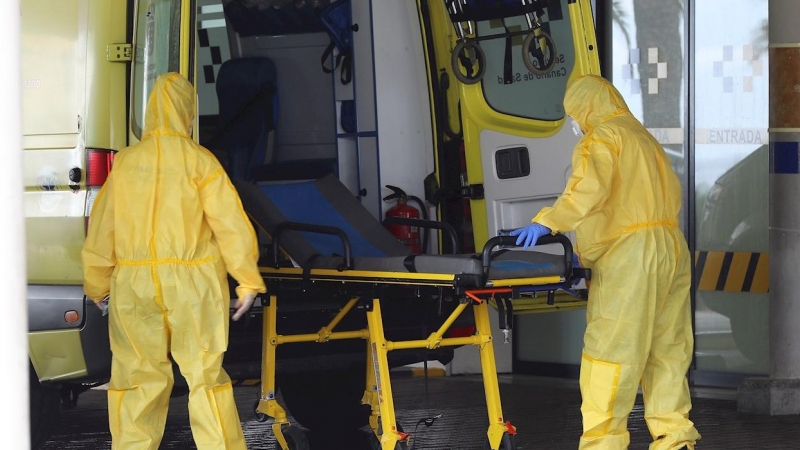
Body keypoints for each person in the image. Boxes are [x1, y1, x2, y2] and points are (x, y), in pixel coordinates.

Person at [510, 75, 701, 450]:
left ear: (584, 109)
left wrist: (548, 220)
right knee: (667, 350)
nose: (575, 123)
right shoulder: (643, 137)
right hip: (671, 247)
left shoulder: (601, 139)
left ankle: (603, 444)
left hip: (630, 254)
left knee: (611, 351)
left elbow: (587, 189)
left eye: (573, 115)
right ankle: (676, 439)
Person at [82, 72, 267, 450]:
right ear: (188, 111)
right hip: (193, 284)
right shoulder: (200, 162)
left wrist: (97, 285)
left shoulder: (127, 164)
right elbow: (230, 225)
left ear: (150, 111)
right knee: (206, 378)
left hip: (133, 286)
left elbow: (102, 231)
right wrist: (247, 280)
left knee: (137, 380)